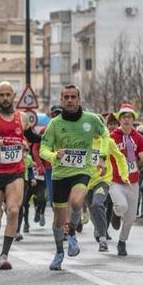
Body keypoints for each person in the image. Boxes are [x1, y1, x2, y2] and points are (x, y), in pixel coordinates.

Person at [39, 85, 108, 270]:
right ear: (61, 100)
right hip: (60, 174)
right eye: (66, 97)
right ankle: (59, 252)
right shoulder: (54, 124)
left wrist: (102, 157)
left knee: (77, 202)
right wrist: (54, 156)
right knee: (58, 219)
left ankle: (72, 232)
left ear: (79, 99)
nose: (70, 100)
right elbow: (43, 149)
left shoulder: (91, 119)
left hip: (82, 170)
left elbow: (105, 135)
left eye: (73, 97)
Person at [0, 82, 32, 270]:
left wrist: (27, 144)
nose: (5, 98)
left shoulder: (23, 118)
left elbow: (30, 137)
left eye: (8, 94)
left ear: (14, 96)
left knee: (14, 210)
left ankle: (4, 255)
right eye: (1, 95)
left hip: (16, 171)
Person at [107, 103, 143, 256]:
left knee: (131, 217)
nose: (126, 120)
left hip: (133, 181)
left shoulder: (138, 137)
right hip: (116, 180)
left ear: (133, 120)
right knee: (122, 206)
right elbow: (103, 155)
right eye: (123, 117)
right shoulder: (112, 137)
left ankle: (122, 242)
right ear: (120, 120)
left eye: (129, 117)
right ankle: (115, 212)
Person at [87, 118, 129, 253]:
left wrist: (124, 175)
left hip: (102, 180)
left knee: (97, 204)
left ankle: (103, 238)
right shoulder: (84, 141)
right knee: (92, 210)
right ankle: (98, 228)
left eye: (97, 126)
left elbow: (120, 157)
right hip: (86, 181)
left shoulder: (108, 142)